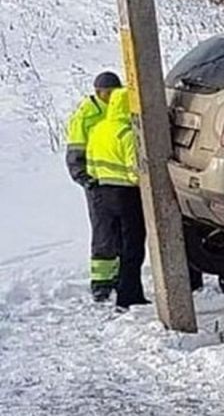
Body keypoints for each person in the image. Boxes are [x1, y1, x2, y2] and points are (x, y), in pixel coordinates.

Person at [86, 88, 149, 310]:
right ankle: (129, 294)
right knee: (133, 247)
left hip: (102, 194)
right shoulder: (127, 133)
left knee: (113, 243)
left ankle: (115, 288)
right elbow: (136, 170)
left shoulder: (97, 130)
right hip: (127, 196)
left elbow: (90, 166)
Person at [65, 71, 123, 301]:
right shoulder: (86, 116)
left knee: (123, 232)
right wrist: (84, 178)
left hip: (123, 181)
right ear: (97, 92)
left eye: (113, 92)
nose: (110, 97)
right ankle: (101, 282)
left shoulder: (122, 107)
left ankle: (120, 276)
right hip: (98, 184)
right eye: (106, 93)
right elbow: (75, 152)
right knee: (103, 232)